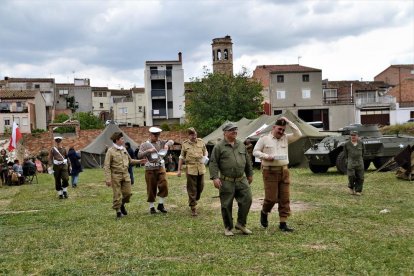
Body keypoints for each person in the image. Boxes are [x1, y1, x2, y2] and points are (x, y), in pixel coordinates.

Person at [253, 117, 302, 232]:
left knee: (285, 198)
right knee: (271, 198)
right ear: (274, 127)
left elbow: (298, 134)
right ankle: (264, 212)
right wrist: (266, 156)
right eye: (279, 129)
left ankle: (283, 223)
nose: (281, 132)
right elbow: (255, 151)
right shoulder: (264, 138)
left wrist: (289, 122)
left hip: (284, 171)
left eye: (283, 130)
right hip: (270, 171)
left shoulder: (286, 138)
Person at [209, 123, 254, 236]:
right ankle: (228, 228)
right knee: (226, 204)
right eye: (231, 130)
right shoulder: (219, 146)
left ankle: (241, 224)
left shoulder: (241, 144)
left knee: (247, 199)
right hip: (226, 180)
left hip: (241, 179)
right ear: (225, 132)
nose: (234, 131)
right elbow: (213, 163)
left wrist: (250, 174)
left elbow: (247, 160)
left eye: (235, 129)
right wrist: (215, 178)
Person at [104, 132, 144, 218]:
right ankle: (118, 212)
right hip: (116, 175)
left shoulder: (124, 149)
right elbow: (106, 166)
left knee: (128, 193)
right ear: (117, 140)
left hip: (126, 174)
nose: (123, 140)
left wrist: (140, 161)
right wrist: (108, 179)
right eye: (121, 139)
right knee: (117, 194)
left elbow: (130, 161)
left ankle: (122, 204)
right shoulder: (110, 151)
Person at [137, 127, 174, 214]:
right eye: (155, 135)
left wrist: (167, 144)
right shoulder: (144, 144)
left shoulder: (160, 142)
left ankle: (161, 204)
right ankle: (152, 207)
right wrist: (148, 150)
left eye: (158, 135)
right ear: (150, 135)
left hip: (160, 167)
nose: (157, 137)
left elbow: (172, 141)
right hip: (150, 168)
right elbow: (139, 155)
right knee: (151, 188)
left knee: (164, 184)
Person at [177, 127, 208, 216]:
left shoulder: (201, 142)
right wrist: (179, 170)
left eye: (195, 134)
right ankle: (193, 207)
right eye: (192, 135)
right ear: (188, 135)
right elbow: (181, 157)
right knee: (192, 189)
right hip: (190, 169)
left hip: (201, 168)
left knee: (200, 187)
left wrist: (205, 157)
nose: (194, 136)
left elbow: (205, 152)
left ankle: (195, 198)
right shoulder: (185, 144)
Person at [343, 130, 365, 196]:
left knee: (360, 177)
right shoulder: (346, 144)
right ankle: (351, 187)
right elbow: (345, 154)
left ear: (357, 136)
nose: (353, 137)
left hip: (359, 162)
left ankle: (358, 190)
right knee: (351, 176)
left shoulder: (361, 143)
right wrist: (348, 160)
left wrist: (360, 159)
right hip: (351, 161)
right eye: (352, 135)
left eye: (354, 135)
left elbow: (363, 152)